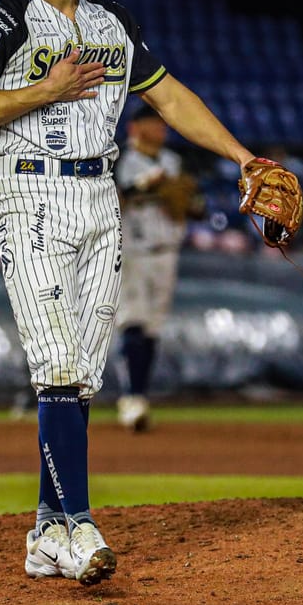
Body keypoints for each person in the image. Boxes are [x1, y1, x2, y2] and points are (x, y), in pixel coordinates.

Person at [0, 0, 258, 587]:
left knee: (81, 376)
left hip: (99, 197)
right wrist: (42, 91)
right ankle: (77, 525)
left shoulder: (113, 24)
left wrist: (243, 158)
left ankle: (46, 534)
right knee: (55, 363)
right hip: (30, 191)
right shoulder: (0, 18)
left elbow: (168, 96)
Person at [113, 102, 206, 433]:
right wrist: (142, 187)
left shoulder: (173, 162)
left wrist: (189, 203)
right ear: (135, 129)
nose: (160, 129)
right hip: (132, 251)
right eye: (153, 123)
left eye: (161, 124)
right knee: (133, 322)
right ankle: (132, 397)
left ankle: (139, 394)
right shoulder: (119, 159)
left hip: (167, 251)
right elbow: (109, 198)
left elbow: (196, 207)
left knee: (152, 328)